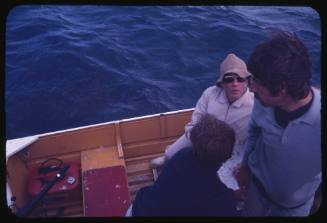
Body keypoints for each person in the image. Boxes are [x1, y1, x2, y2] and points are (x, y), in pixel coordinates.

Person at [236, 31, 321, 216]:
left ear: (281, 88)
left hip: (293, 209)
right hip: (256, 193)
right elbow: (254, 132)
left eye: (257, 82)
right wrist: (244, 167)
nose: (252, 88)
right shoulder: (262, 100)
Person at [150, 53, 254, 193]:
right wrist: (199, 142)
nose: (235, 84)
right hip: (200, 139)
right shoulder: (209, 94)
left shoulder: (256, 104)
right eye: (229, 79)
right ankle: (167, 157)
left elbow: (256, 139)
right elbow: (195, 122)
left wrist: (245, 164)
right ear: (222, 83)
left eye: (240, 79)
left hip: (235, 149)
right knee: (171, 156)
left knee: (223, 185)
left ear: (247, 81)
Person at [131, 114, 238, 216]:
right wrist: (231, 197)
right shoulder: (220, 198)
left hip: (138, 208)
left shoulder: (183, 155)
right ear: (227, 156)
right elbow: (216, 198)